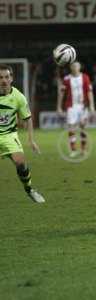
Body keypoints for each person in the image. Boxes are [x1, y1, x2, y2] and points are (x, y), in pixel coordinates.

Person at [0, 64, 45, 203]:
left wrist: (31, 140)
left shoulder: (19, 97)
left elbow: (28, 119)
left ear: (12, 78)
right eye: (0, 77)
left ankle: (29, 189)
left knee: (21, 164)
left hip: (9, 136)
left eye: (6, 77)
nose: (3, 80)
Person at [57, 61, 95, 158]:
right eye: (73, 66)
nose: (75, 68)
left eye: (77, 66)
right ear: (71, 68)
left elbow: (89, 92)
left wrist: (92, 105)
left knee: (83, 127)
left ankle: (83, 149)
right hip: (71, 106)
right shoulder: (67, 79)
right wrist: (59, 107)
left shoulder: (85, 77)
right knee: (71, 127)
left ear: (80, 67)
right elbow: (61, 94)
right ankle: (73, 150)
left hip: (83, 106)